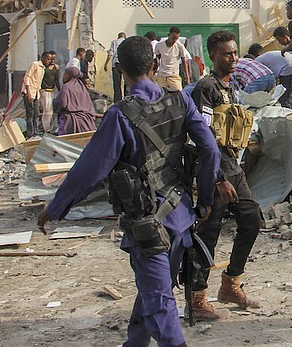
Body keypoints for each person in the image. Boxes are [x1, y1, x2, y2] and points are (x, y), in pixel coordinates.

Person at [38, 36, 220, 347]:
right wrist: (204, 202)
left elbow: (90, 169)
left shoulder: (119, 115)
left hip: (147, 225)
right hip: (180, 216)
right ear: (154, 65)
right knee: (155, 290)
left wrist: (55, 207)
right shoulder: (180, 100)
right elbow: (211, 152)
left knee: (159, 299)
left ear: (119, 70)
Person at [190, 30, 262, 321]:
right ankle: (197, 298)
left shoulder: (231, 88)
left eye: (234, 53)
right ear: (213, 56)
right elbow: (202, 136)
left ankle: (231, 283)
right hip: (213, 170)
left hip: (233, 166)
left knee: (251, 219)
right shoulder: (205, 89)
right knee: (209, 233)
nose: (232, 58)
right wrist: (217, 178)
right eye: (226, 54)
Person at [53, 67, 96, 135]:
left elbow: (63, 104)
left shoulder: (66, 87)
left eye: (65, 74)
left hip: (70, 121)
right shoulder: (82, 88)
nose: (64, 76)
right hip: (87, 122)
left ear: (69, 75)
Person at [22, 52, 52, 139]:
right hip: (29, 92)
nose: (49, 61)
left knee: (36, 114)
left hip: (36, 93)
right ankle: (30, 134)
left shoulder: (43, 68)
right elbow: (27, 77)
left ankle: (35, 132)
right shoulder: (35, 65)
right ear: (43, 58)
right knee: (30, 114)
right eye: (48, 59)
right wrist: (28, 92)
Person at [270, 27, 292, 109]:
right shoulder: (286, 48)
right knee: (285, 97)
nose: (280, 42)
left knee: (285, 98)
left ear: (285, 37)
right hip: (287, 72)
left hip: (290, 73)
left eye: (279, 40)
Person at [40, 51, 60, 134]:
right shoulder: (43, 68)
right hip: (44, 91)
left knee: (52, 110)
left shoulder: (56, 68)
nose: (52, 61)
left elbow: (56, 80)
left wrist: (60, 90)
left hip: (52, 91)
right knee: (47, 110)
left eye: (53, 59)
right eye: (50, 59)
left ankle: (50, 127)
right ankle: (46, 128)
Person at [105, 32, 127, 101]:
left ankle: (118, 100)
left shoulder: (114, 42)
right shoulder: (126, 42)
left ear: (118, 37)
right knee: (127, 82)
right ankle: (127, 99)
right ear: (124, 37)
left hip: (116, 64)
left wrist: (106, 64)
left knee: (117, 84)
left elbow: (110, 54)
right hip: (125, 63)